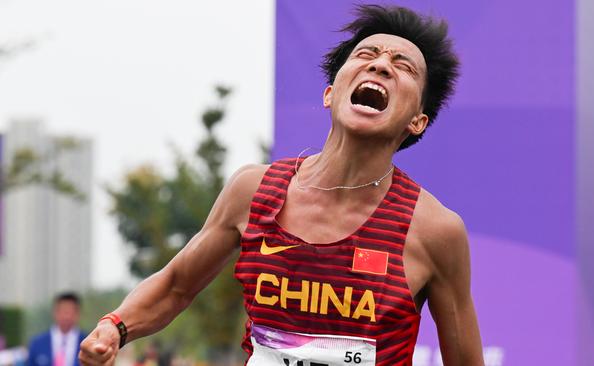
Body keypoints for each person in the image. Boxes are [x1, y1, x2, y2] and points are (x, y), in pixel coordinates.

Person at [79, 4, 484, 366]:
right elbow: (176, 286)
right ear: (330, 93)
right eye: (365, 54)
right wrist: (115, 327)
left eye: (404, 66)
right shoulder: (254, 190)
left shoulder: (434, 231)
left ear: (418, 121)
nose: (380, 66)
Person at [28, 292, 86, 366]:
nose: (67, 316)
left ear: (78, 313)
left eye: (70, 311)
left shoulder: (87, 343)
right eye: (64, 311)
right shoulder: (37, 343)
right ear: (55, 312)